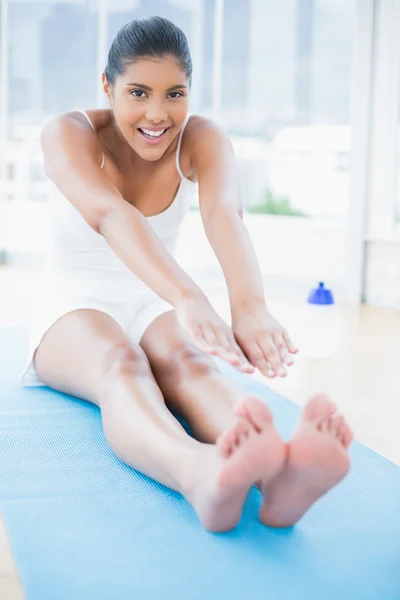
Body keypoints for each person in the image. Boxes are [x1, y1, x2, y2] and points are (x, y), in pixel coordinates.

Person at [20, 16, 353, 533]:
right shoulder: (67, 132)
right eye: (138, 92)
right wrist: (190, 296)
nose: (158, 113)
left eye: (174, 94)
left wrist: (248, 306)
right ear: (107, 87)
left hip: (154, 298)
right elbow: (112, 215)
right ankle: (197, 472)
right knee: (121, 365)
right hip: (74, 300)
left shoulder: (203, 137)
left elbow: (224, 214)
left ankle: (280, 476)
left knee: (192, 365)